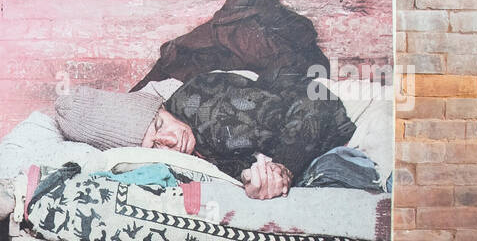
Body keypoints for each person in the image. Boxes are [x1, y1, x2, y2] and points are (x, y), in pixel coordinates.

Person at [136, 68, 357, 200]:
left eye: (159, 124)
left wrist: (282, 167)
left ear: (162, 107)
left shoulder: (203, 107)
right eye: (156, 147)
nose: (171, 141)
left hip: (348, 112)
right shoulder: (178, 163)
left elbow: (314, 103)